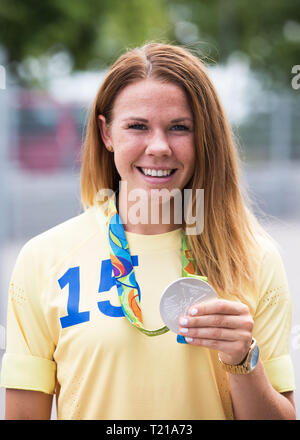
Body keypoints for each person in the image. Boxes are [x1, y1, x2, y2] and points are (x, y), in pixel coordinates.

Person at [0, 42, 296, 420]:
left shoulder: (254, 258)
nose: (158, 147)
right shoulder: (43, 259)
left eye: (179, 128)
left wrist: (243, 360)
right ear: (107, 134)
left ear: (204, 136)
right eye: (137, 126)